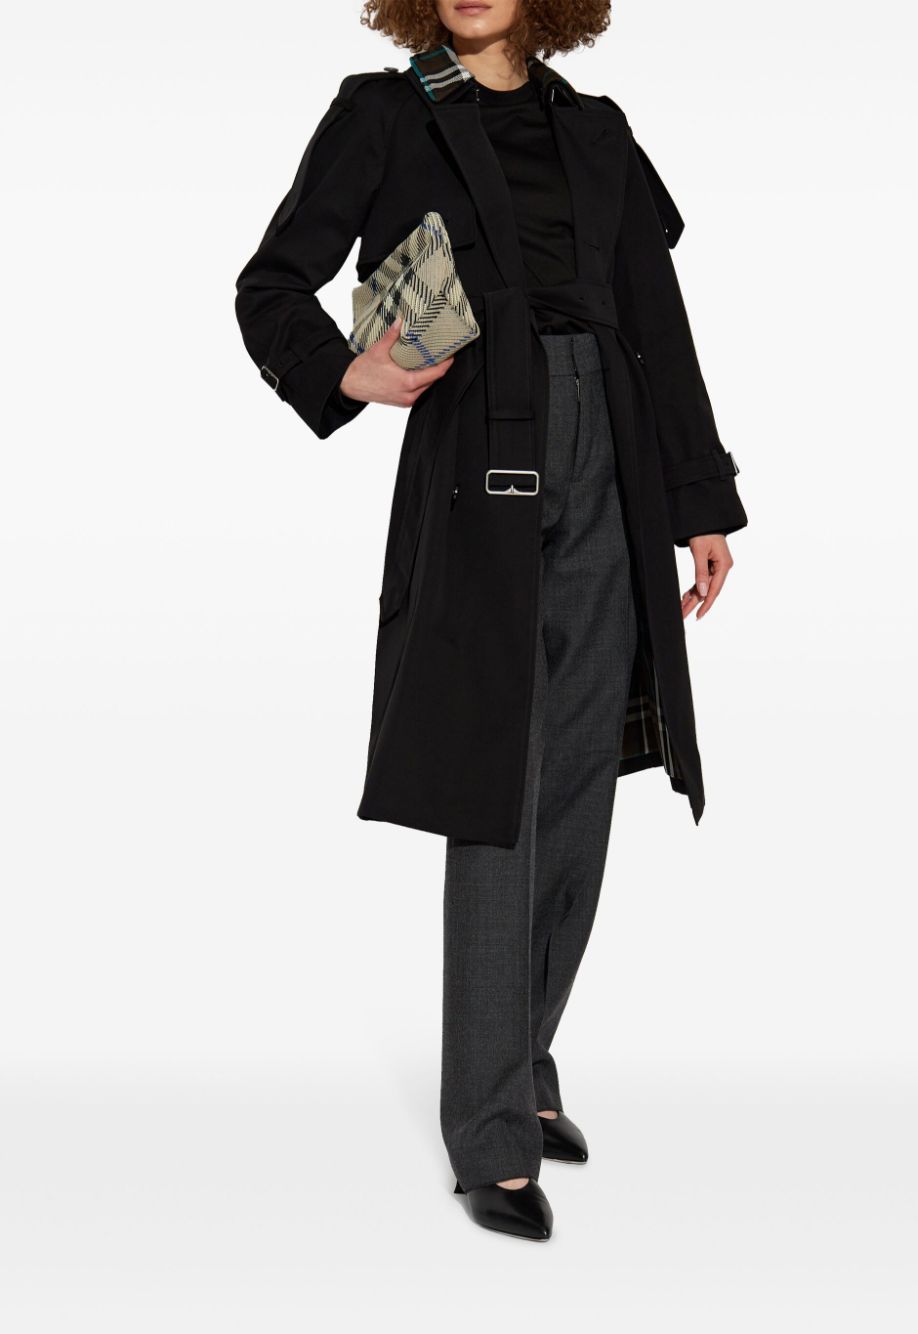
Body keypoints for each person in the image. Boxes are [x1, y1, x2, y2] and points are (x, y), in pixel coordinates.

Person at [235, 0, 747, 1242]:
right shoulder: (383, 112)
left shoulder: (599, 130)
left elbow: (654, 319)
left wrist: (698, 500)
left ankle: (521, 1062)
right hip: (481, 461)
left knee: (576, 784)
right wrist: (341, 369)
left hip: (612, 453)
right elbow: (270, 283)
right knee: (494, 787)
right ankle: (490, 1132)